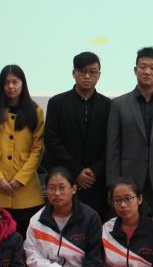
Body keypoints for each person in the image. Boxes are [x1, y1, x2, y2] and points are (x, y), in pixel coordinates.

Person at [106, 47, 153, 224]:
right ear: (135, 70)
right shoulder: (118, 104)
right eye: (143, 67)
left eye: (152, 68)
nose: (147, 71)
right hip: (127, 183)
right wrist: (113, 184)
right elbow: (112, 148)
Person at [25, 167, 103, 267]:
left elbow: (95, 260)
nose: (57, 193)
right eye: (51, 188)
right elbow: (32, 256)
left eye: (62, 188)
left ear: (73, 189)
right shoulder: (37, 220)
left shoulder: (90, 218)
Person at [0, 64, 45, 234]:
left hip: (26, 189)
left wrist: (20, 179)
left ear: (23, 84)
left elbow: (37, 149)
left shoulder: (35, 111)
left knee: (25, 236)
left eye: (15, 82)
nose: (11, 86)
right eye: (6, 83)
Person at [44, 51, 112, 219]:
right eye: (82, 71)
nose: (87, 76)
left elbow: (112, 143)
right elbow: (52, 140)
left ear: (99, 75)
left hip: (97, 181)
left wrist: (95, 171)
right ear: (74, 73)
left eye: (92, 72)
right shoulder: (57, 103)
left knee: (96, 224)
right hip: (65, 179)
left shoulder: (109, 105)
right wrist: (77, 171)